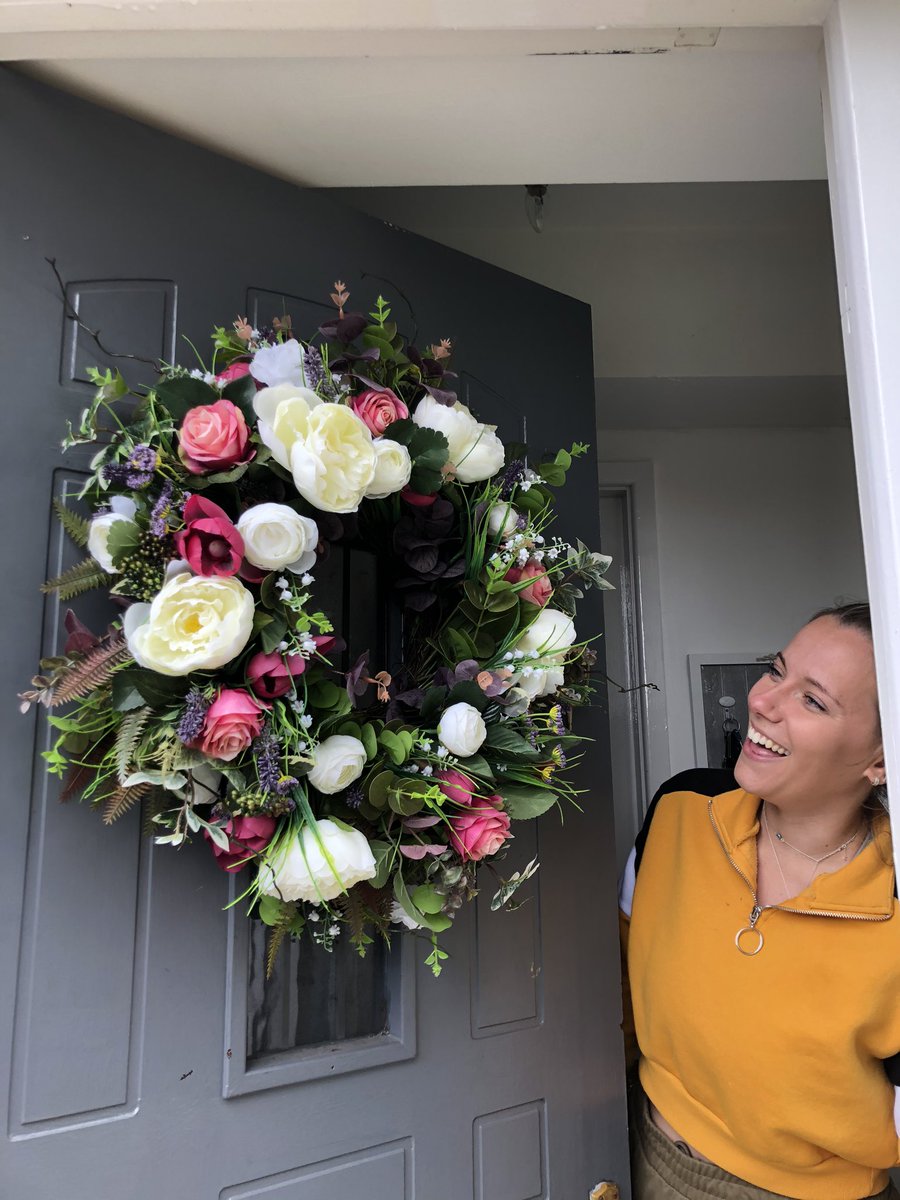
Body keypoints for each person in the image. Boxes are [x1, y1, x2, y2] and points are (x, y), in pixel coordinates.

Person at [619, 603, 900, 1200]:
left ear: (881, 760)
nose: (762, 701)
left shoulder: (892, 905)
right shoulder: (678, 810)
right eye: (777, 670)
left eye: (813, 701)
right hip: (635, 1150)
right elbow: (618, 983)